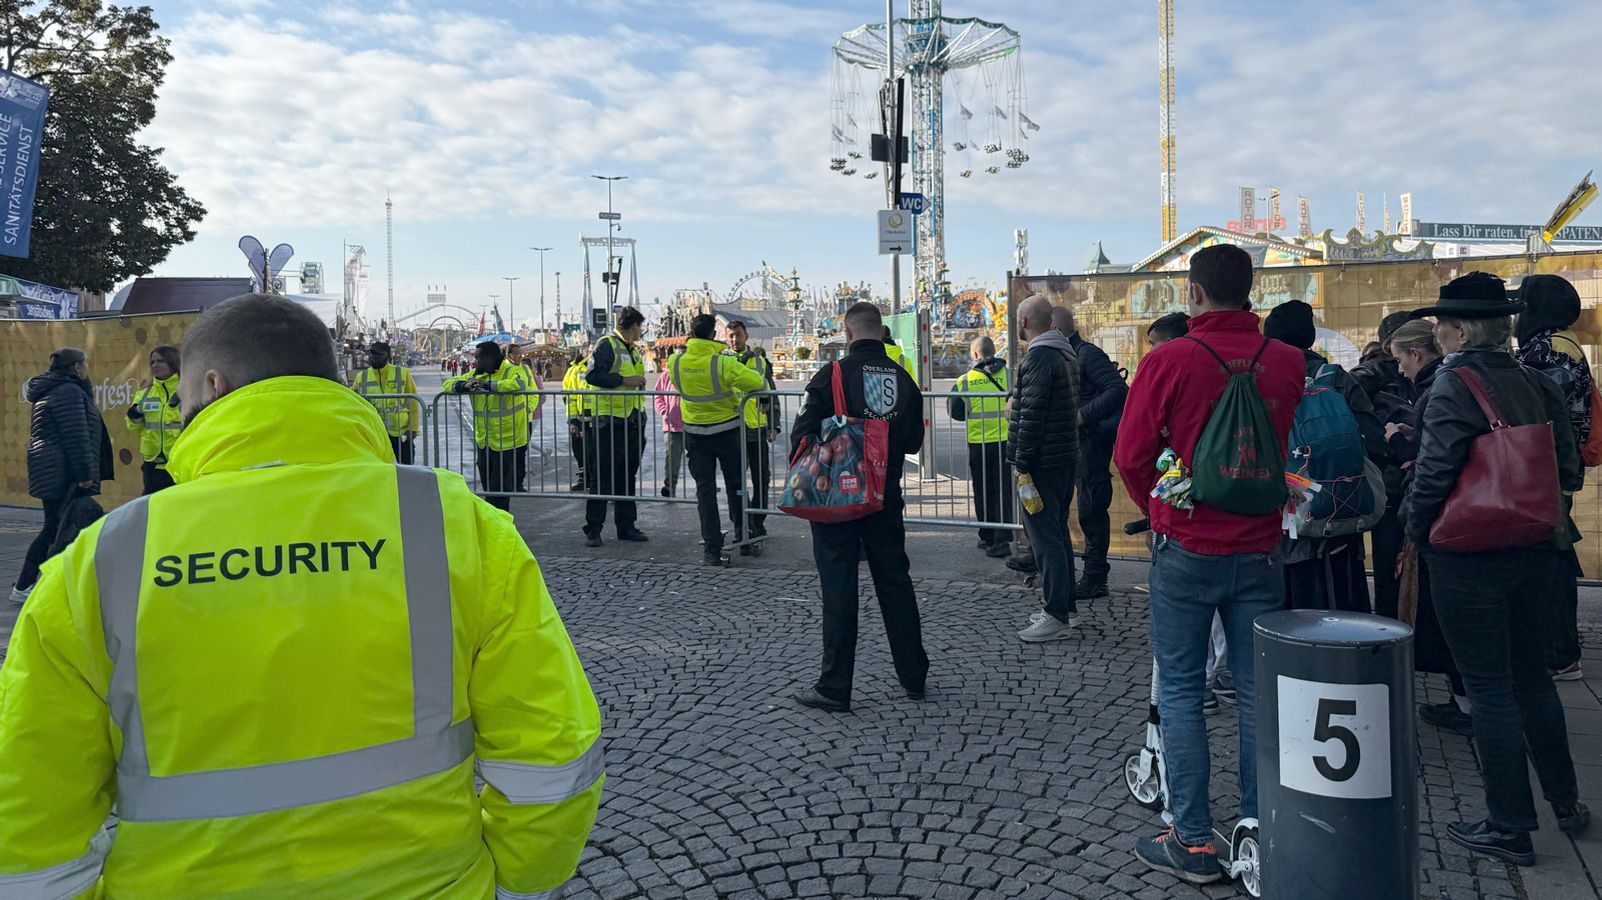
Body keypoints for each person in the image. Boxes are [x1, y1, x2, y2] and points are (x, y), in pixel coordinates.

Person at [0, 294, 603, 896]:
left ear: (212, 385)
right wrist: (520, 885)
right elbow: (550, 754)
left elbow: (30, 814)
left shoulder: (102, 561)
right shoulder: (457, 527)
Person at [1115, 244, 1305, 885]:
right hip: (1260, 546)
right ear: (1250, 291)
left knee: (1180, 687)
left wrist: (1163, 510)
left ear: (1194, 293)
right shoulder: (1285, 362)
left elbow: (1132, 454)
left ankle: (1193, 840)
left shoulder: (1168, 360)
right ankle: (1260, 829)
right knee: (1258, 694)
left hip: (1187, 546)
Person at [1401, 272, 1589, 865]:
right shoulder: (1537, 380)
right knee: (1532, 678)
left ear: (1458, 330)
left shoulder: (1452, 383)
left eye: (1442, 325)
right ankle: (1567, 803)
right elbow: (1570, 469)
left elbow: (1433, 473)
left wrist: (1413, 527)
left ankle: (1509, 825)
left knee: (1488, 688)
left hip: (1468, 554)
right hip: (1536, 547)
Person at [792, 301, 928, 712]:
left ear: (848, 334)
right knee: (895, 583)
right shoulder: (905, 379)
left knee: (839, 587)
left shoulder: (831, 375)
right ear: (882, 333)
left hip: (840, 499)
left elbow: (801, 435)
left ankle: (835, 686)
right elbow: (912, 443)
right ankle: (914, 676)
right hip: (885, 497)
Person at [1261, 300, 1385, 613]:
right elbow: (1373, 442)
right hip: (1340, 517)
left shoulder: (1261, 381)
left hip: (1286, 518)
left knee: (1289, 608)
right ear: (1310, 337)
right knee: (1342, 604)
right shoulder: (1336, 378)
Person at [1384, 320, 1472, 732]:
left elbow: (1432, 462)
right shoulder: (1492, 376)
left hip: (1448, 520)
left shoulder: (1440, 387)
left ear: (1416, 354)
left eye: (1400, 359)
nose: (1399, 369)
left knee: (1453, 621)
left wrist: (1398, 441)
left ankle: (1470, 707)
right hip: (1476, 516)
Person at [1514, 274, 1592, 681]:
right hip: (1555, 471)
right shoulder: (1561, 345)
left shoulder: (1549, 351)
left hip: (1546, 472)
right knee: (1554, 558)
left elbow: (1542, 415)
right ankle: (1560, 649)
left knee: (1552, 562)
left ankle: (1560, 654)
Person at [9, 347, 114, 606]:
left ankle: (42, 582)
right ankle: (27, 584)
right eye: (85, 364)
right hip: (65, 474)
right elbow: (76, 435)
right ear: (76, 367)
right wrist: (86, 474)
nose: (87, 368)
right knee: (56, 529)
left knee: (58, 528)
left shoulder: (56, 389)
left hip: (55, 472)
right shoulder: (68, 391)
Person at [1011, 296, 1082, 642]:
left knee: (1045, 540)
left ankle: (1055, 614)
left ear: (1024, 321)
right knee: (1058, 536)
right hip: (1063, 459)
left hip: (1040, 464)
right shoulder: (1064, 353)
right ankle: (1065, 608)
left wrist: (1021, 464)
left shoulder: (1039, 357)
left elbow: (1032, 416)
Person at [669, 314, 767, 564]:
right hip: (727, 432)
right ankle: (742, 534)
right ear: (715, 335)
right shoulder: (723, 363)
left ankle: (712, 548)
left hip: (695, 434)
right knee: (736, 486)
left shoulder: (675, 361)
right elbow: (757, 381)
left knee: (705, 491)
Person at [1051, 305, 1128, 599]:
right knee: (1069, 507)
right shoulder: (1065, 354)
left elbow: (1117, 390)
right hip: (1072, 444)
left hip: (1091, 444)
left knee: (1091, 510)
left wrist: (1082, 416)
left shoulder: (1087, 353)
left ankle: (1096, 576)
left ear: (1057, 329)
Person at [1351, 311, 1414, 618]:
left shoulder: (1423, 372)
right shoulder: (1379, 370)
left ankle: (1396, 621)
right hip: (1392, 478)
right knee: (1394, 560)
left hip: (1391, 477)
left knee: (1393, 560)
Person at [583, 307, 650, 546]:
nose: (641, 332)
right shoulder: (607, 345)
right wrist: (624, 381)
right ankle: (593, 528)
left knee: (626, 477)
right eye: (640, 327)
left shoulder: (631, 349)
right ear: (633, 326)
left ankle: (626, 525)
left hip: (631, 421)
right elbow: (592, 376)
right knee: (601, 478)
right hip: (608, 422)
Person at [444, 341, 531, 513]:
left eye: (478, 358)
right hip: (485, 442)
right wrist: (464, 386)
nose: (475, 362)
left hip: (508, 441)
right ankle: (497, 524)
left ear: (490, 357)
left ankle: (500, 527)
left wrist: (489, 386)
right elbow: (448, 384)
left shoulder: (512, 370)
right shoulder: (477, 374)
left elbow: (520, 384)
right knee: (490, 489)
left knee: (498, 492)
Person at [948, 335, 1013, 557]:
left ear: (975, 355)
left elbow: (955, 412)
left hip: (979, 443)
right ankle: (1004, 537)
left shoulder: (965, 381)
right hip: (1007, 441)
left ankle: (987, 536)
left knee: (984, 491)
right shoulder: (1010, 375)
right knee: (1004, 490)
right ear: (994, 352)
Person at [729, 320, 778, 547]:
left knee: (762, 480)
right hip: (732, 431)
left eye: (737, 335)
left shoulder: (760, 362)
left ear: (746, 335)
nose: (734, 340)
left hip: (757, 430)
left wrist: (773, 425)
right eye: (730, 336)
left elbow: (772, 393)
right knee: (736, 482)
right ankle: (741, 525)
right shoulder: (722, 362)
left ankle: (757, 521)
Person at [351, 341, 421, 465]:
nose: (373, 357)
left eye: (378, 354)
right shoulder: (362, 377)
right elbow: (353, 404)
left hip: (400, 434)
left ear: (388, 356)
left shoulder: (402, 373)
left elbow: (413, 403)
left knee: (405, 473)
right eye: (371, 354)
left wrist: (413, 429)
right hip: (374, 434)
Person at [126, 345, 184, 494]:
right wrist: (134, 414)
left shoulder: (186, 389)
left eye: (160, 361)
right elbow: (133, 426)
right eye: (152, 362)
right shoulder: (145, 392)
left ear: (173, 362)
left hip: (179, 463)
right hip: (152, 465)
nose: (155, 365)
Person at [503, 344, 544, 492]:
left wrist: (529, 408)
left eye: (522, 354)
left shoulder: (525, 369)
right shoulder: (503, 369)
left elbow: (533, 392)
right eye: (517, 354)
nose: (521, 357)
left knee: (521, 451)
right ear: (509, 355)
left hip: (524, 418)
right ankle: (506, 482)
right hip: (507, 419)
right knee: (507, 452)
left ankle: (518, 483)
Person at [653, 366, 685, 497]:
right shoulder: (667, 374)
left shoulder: (695, 371)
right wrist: (663, 411)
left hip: (694, 423)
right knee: (672, 458)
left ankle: (702, 486)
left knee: (699, 459)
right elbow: (658, 395)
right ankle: (669, 486)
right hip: (672, 424)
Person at [563, 352, 591, 492]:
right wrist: (573, 420)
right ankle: (584, 478)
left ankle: (597, 480)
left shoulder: (603, 366)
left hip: (601, 419)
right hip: (580, 419)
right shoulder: (574, 371)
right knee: (579, 450)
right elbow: (569, 397)